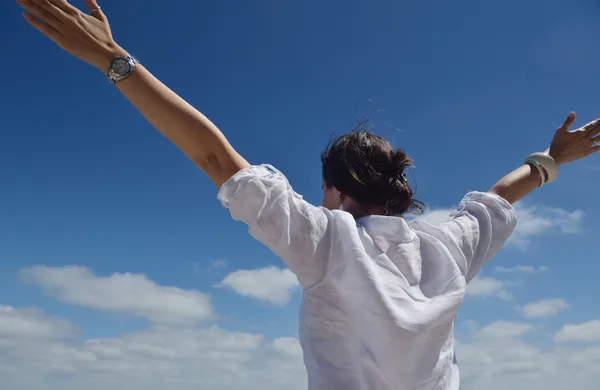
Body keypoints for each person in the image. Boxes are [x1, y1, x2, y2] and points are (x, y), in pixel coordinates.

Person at [16, 1, 600, 389]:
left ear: (337, 191)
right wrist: (555, 159)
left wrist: (113, 60)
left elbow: (215, 156)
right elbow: (501, 195)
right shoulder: (449, 247)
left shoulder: (329, 240)